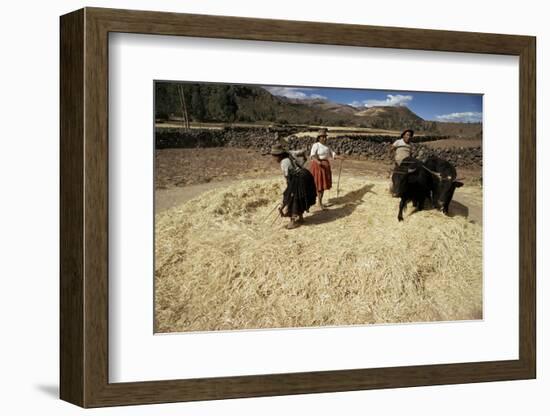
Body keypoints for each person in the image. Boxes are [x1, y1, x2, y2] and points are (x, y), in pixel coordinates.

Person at [270, 144, 317, 229]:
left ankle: (293, 221)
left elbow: (289, 179)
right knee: (300, 196)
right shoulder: (290, 154)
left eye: (274, 156)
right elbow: (302, 151)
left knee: (293, 198)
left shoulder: (284, 163)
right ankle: (301, 218)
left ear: (279, 155)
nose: (273, 159)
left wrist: (288, 193)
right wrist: (303, 159)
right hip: (305, 175)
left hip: (299, 178)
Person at [309, 128, 339, 209]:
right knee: (318, 184)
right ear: (319, 138)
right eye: (323, 137)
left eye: (325, 137)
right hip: (317, 166)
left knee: (322, 185)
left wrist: (340, 157)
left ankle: (320, 202)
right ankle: (318, 203)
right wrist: (317, 161)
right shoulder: (316, 145)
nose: (325, 138)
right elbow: (312, 155)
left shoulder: (327, 147)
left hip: (325, 166)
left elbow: (333, 154)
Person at [389, 129, 414, 196]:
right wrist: (393, 156)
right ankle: (393, 190)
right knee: (394, 177)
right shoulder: (398, 142)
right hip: (397, 163)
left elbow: (410, 155)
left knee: (405, 179)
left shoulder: (410, 145)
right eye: (407, 135)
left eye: (410, 135)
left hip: (406, 165)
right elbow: (391, 149)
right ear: (403, 135)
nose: (408, 137)